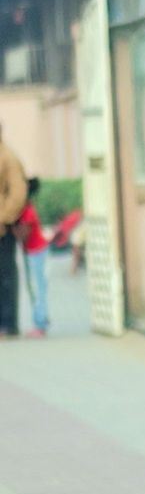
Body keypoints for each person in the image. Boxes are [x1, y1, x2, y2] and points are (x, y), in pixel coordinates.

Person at [0, 124, 28, 337]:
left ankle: (8, 324)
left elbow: (18, 193)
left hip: (3, 229)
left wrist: (4, 217)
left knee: (5, 276)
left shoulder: (7, 157)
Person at [16, 177, 50, 337]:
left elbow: (24, 234)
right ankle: (40, 321)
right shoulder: (26, 209)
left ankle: (40, 324)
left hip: (37, 252)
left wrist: (10, 229)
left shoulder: (27, 211)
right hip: (33, 252)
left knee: (38, 289)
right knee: (35, 288)